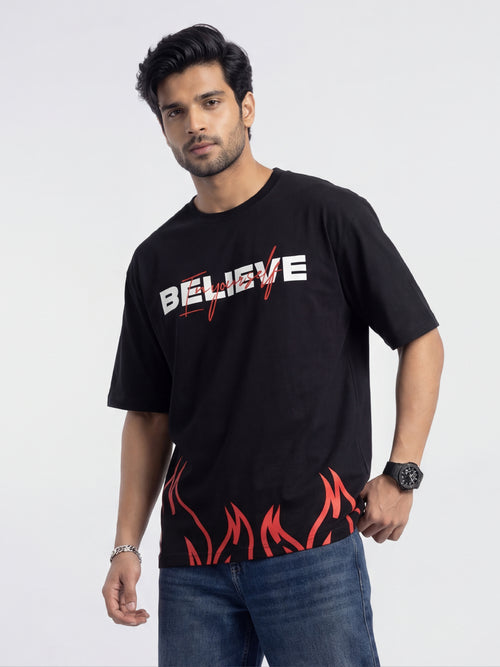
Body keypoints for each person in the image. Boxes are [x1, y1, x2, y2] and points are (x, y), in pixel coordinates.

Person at [101, 23, 444, 667]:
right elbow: (147, 414)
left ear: (247, 107)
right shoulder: (154, 261)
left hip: (310, 544)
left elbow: (420, 337)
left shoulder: (327, 214)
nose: (195, 123)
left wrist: (403, 473)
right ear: (163, 127)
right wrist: (126, 545)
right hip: (194, 561)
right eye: (175, 112)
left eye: (211, 102)